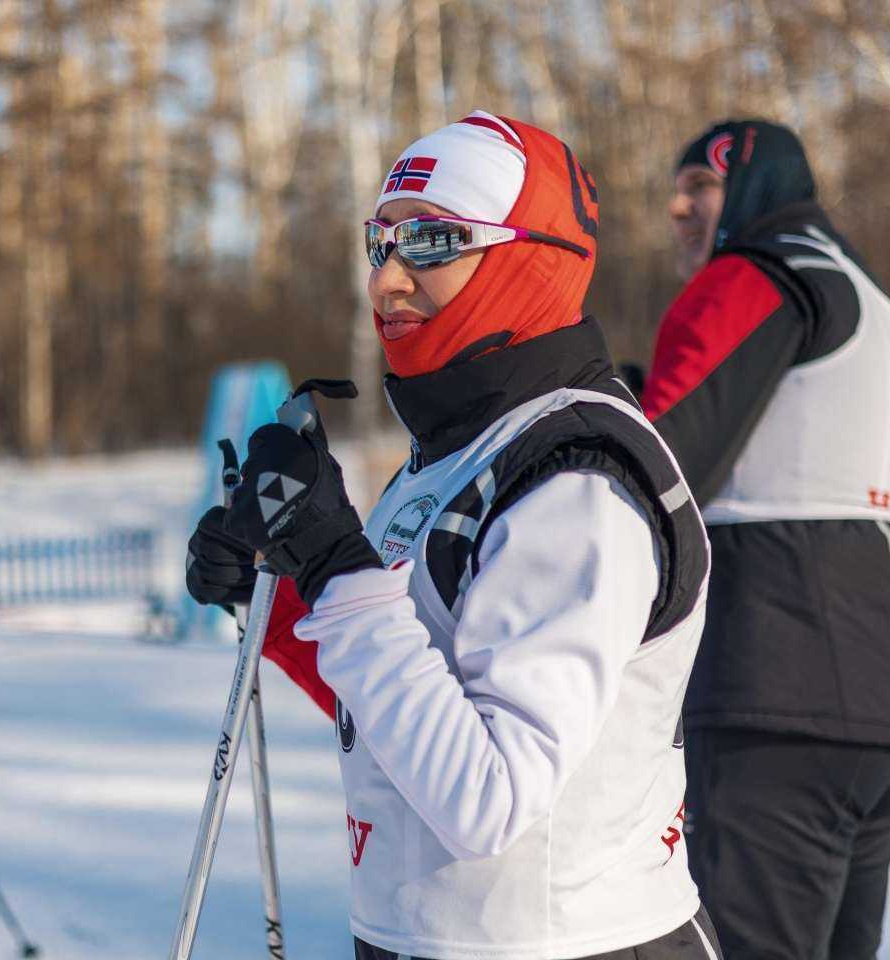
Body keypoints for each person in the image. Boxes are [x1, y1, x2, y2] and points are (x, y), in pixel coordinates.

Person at [187, 111, 720, 960]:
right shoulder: (458, 451)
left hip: (567, 944)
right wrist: (282, 601)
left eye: (432, 242)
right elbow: (408, 711)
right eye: (379, 243)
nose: (386, 280)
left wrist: (334, 563)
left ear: (531, 257)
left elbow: (488, 798)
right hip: (430, 937)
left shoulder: (576, 479)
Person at [641, 119, 890, 960]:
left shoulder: (755, 273)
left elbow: (659, 463)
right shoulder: (873, 300)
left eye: (700, 188)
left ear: (753, 188)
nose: (678, 209)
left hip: (781, 680)